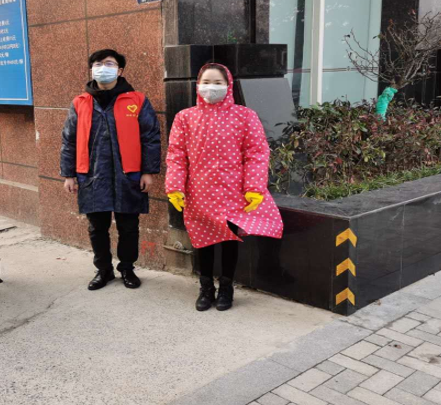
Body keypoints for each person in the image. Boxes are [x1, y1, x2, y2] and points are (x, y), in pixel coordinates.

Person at [165, 63, 284, 311]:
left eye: (218, 82)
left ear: (228, 85)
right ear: (197, 85)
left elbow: (256, 153)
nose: (211, 87)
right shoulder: (185, 117)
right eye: (206, 82)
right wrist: (175, 187)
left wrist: (254, 187)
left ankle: (226, 288)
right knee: (203, 241)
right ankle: (206, 287)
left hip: (232, 192)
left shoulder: (245, 116)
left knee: (230, 240)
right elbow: (176, 155)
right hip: (199, 192)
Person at [60, 49, 161, 291]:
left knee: (129, 226)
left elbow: (150, 137)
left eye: (108, 63)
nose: (102, 68)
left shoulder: (137, 100)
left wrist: (148, 171)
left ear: (120, 70)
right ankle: (103, 269)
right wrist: (69, 174)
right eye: (97, 64)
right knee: (97, 227)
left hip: (129, 174)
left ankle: (127, 268)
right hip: (92, 174)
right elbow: (69, 139)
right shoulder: (80, 102)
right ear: (91, 70)